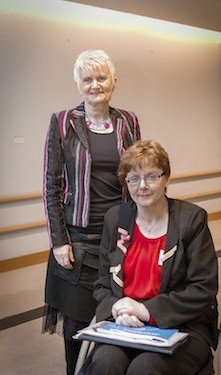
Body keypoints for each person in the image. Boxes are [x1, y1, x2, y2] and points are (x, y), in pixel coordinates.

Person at [42, 49, 141, 375]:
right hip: (78, 241)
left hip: (121, 238)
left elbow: (137, 177)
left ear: (113, 81)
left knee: (118, 321)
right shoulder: (62, 123)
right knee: (78, 328)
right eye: (88, 79)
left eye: (102, 77)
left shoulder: (128, 121)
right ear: (78, 83)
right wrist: (59, 240)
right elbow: (51, 185)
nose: (95, 85)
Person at [83, 140, 219, 375]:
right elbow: (102, 284)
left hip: (181, 325)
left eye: (151, 176)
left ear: (166, 178)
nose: (142, 186)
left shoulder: (191, 220)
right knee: (104, 364)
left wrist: (146, 311)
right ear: (126, 183)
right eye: (133, 178)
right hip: (124, 325)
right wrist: (118, 308)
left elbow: (203, 289)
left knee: (144, 368)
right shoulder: (115, 218)